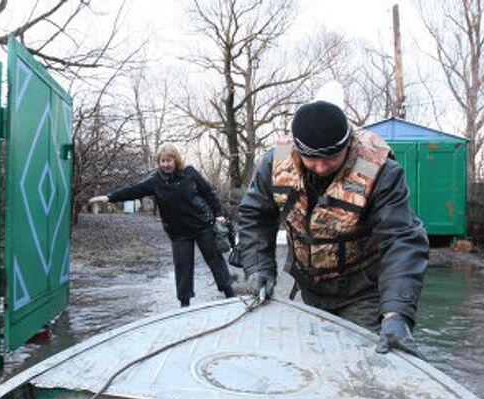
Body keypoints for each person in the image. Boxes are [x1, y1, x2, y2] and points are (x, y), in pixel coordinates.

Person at [237, 101, 429, 358]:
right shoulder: (274, 163)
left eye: (330, 159)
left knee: (361, 361)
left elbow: (402, 239)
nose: (321, 167)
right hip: (311, 287)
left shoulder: (382, 172)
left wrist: (397, 313)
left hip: (363, 290)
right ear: (297, 149)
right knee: (317, 357)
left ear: (348, 145)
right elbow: (255, 215)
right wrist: (259, 267)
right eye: (311, 160)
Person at [88, 143, 235, 308]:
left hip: (202, 226)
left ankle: (229, 294)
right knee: (182, 267)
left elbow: (208, 192)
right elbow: (133, 190)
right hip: (178, 232)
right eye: (162, 161)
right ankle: (184, 304)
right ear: (159, 162)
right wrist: (109, 197)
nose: (166, 164)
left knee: (215, 260)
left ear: (176, 160)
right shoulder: (155, 181)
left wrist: (219, 214)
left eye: (169, 160)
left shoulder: (190, 173)